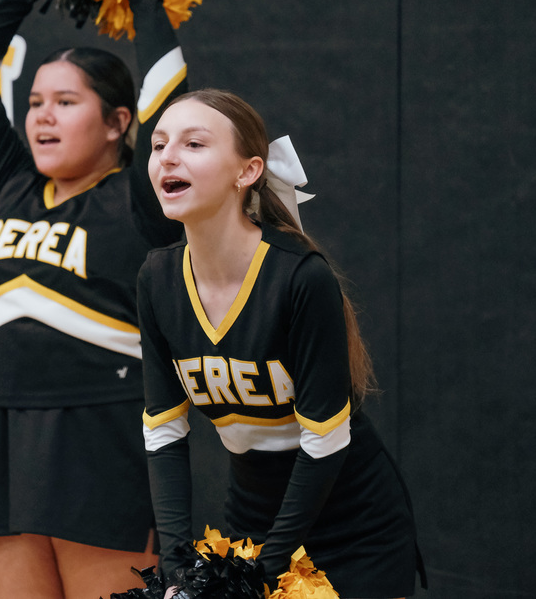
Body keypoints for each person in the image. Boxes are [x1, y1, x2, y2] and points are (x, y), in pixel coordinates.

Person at [0, 0, 187, 599]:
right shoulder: (6, 184)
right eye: (34, 102)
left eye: (65, 101)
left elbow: (167, 96)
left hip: (99, 428)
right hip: (2, 425)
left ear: (117, 123)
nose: (43, 116)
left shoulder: (143, 198)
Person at [138, 90, 425, 599]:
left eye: (193, 144)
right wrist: (176, 561)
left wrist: (263, 573)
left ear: (247, 171)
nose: (168, 157)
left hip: (354, 528)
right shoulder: (157, 279)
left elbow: (325, 440)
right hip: (252, 518)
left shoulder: (299, 277)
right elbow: (163, 429)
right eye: (159, 145)